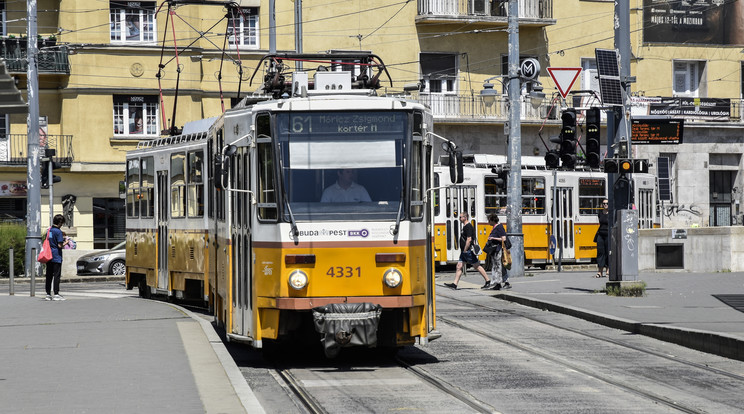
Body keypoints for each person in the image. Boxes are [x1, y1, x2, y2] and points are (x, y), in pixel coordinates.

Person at [444, 212, 490, 290]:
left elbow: (469, 239)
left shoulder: (468, 227)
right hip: (464, 252)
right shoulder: (465, 226)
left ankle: (488, 281)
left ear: (465, 217)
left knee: (476, 266)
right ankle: (454, 284)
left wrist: (465, 249)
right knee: (459, 266)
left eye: (460, 217)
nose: (459, 219)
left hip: (467, 251)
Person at [45, 214, 66, 301]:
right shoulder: (58, 232)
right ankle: (56, 293)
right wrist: (67, 242)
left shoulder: (49, 231)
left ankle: (48, 294)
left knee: (49, 275)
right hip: (56, 255)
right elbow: (60, 245)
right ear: (60, 222)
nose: (62, 225)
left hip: (49, 255)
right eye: (62, 223)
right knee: (56, 275)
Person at [486, 214, 508, 290]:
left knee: (498, 266)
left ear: (492, 220)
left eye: (489, 220)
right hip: (495, 250)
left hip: (498, 249)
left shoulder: (499, 227)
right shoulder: (495, 227)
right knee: (497, 266)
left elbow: (504, 239)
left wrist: (493, 238)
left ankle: (498, 283)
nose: (488, 222)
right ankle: (503, 282)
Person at [594, 198, 610, 278]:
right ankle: (600, 271)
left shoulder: (611, 213)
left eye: (606, 203)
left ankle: (608, 271)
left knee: (607, 252)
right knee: (600, 252)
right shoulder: (600, 213)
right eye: (604, 203)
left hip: (608, 234)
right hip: (600, 234)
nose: (605, 205)